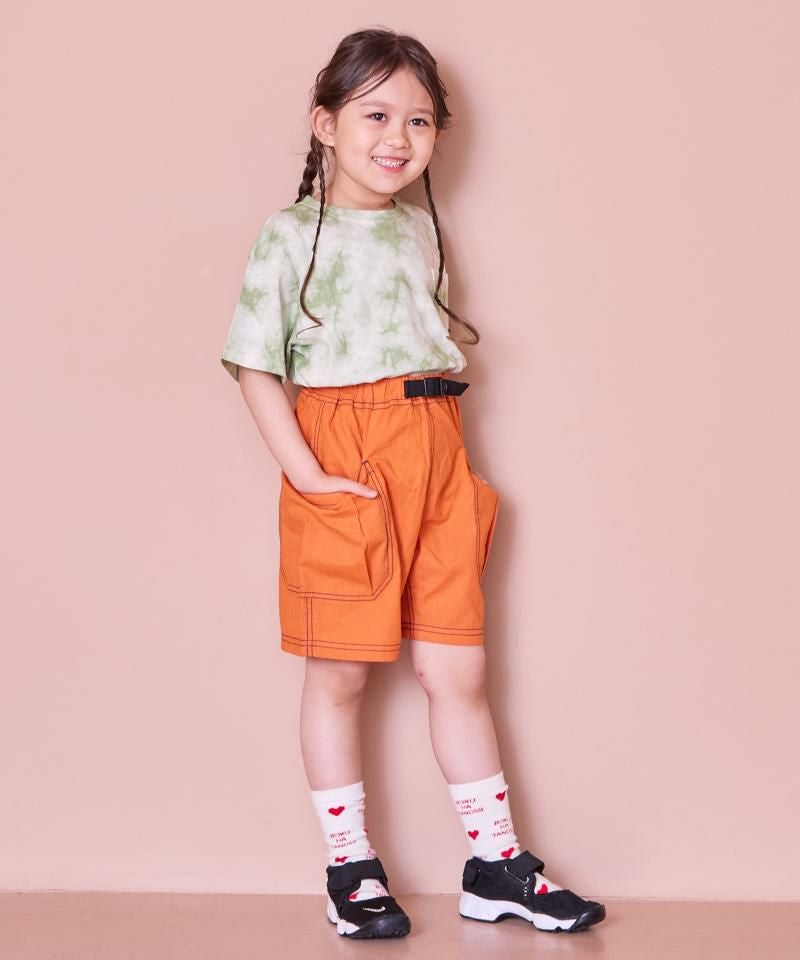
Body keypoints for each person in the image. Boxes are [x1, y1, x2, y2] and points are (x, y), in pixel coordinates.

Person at [220, 27, 606, 940]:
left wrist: (445, 465)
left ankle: (495, 863)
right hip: (346, 453)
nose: (398, 137)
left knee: (457, 666)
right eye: (376, 114)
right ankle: (349, 868)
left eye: (420, 120)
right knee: (341, 671)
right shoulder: (291, 235)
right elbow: (254, 364)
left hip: (437, 447)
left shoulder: (422, 230)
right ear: (325, 123)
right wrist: (309, 474)